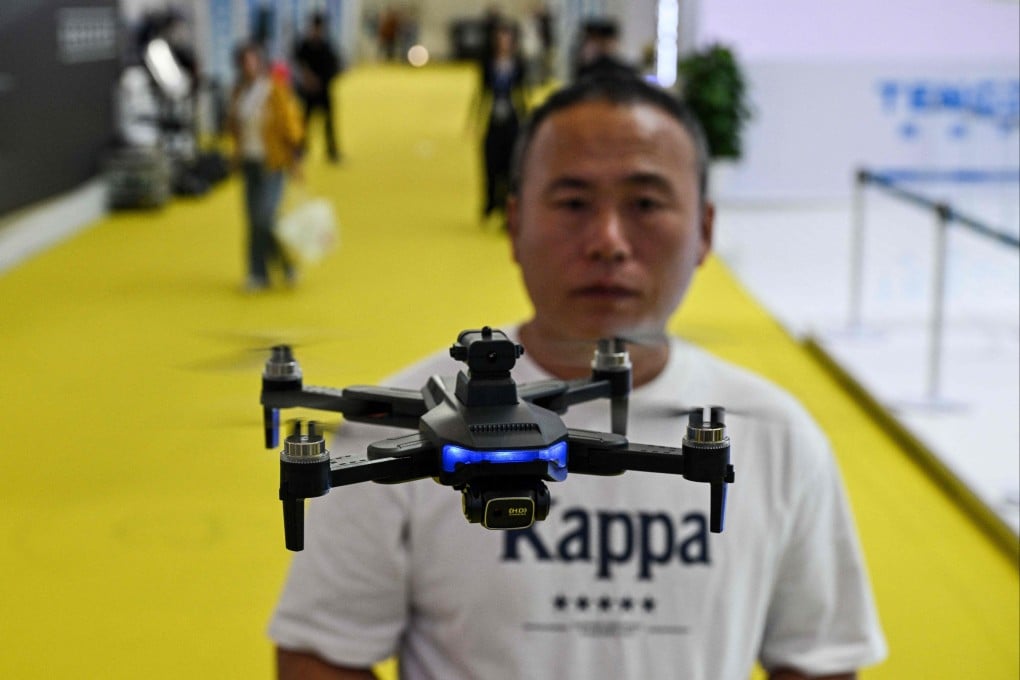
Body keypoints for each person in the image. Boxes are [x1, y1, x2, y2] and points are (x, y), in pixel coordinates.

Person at [269, 73, 887, 679]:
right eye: (572, 204)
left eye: (645, 203)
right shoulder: (388, 425)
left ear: (704, 231)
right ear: (514, 224)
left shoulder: (778, 438)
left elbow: (818, 661)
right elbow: (318, 653)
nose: (608, 242)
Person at [227, 42, 304, 291]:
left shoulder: (274, 89)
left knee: (266, 217)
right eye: (244, 62)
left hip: (273, 162)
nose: (248, 66)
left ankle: (286, 263)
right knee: (253, 220)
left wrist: (295, 159)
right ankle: (257, 273)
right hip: (249, 161)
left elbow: (290, 125)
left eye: (252, 61)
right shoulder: (239, 92)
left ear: (260, 62)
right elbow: (235, 125)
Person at [470, 21, 528, 221]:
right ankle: (490, 202)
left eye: (507, 39)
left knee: (511, 163)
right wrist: (475, 119)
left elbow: (522, 93)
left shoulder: (518, 64)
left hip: (512, 118)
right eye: (500, 39)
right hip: (493, 117)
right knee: (490, 161)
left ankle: (508, 205)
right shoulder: (488, 64)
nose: (503, 42)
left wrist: (526, 118)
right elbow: (481, 93)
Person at [294, 13, 343, 163]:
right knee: (304, 122)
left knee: (329, 122)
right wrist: (306, 80)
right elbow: (297, 64)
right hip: (308, 92)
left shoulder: (327, 46)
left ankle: (331, 150)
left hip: (323, 91)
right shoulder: (304, 45)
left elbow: (334, 68)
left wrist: (320, 81)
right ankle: (301, 148)